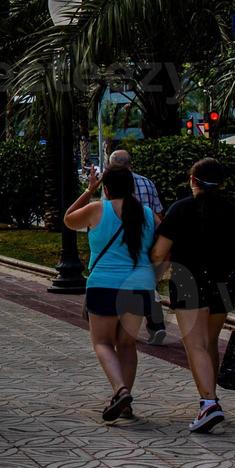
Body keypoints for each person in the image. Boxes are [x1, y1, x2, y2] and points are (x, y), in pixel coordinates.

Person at [151, 158, 235, 434]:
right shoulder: (231, 211)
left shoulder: (180, 210)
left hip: (188, 282)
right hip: (223, 285)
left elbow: (160, 252)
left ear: (193, 181)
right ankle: (213, 397)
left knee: (194, 345)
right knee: (209, 343)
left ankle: (208, 403)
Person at [65, 165, 160, 423]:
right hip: (139, 285)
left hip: (104, 284)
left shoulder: (98, 209)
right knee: (127, 344)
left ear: (106, 188)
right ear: (132, 186)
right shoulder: (148, 215)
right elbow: (163, 247)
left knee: (103, 343)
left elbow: (69, 218)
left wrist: (88, 190)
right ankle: (125, 403)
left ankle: (120, 391)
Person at [108, 149, 169, 346]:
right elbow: (159, 212)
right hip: (147, 240)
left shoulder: (111, 184)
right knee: (149, 285)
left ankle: (124, 325)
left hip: (121, 244)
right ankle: (156, 324)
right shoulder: (147, 182)